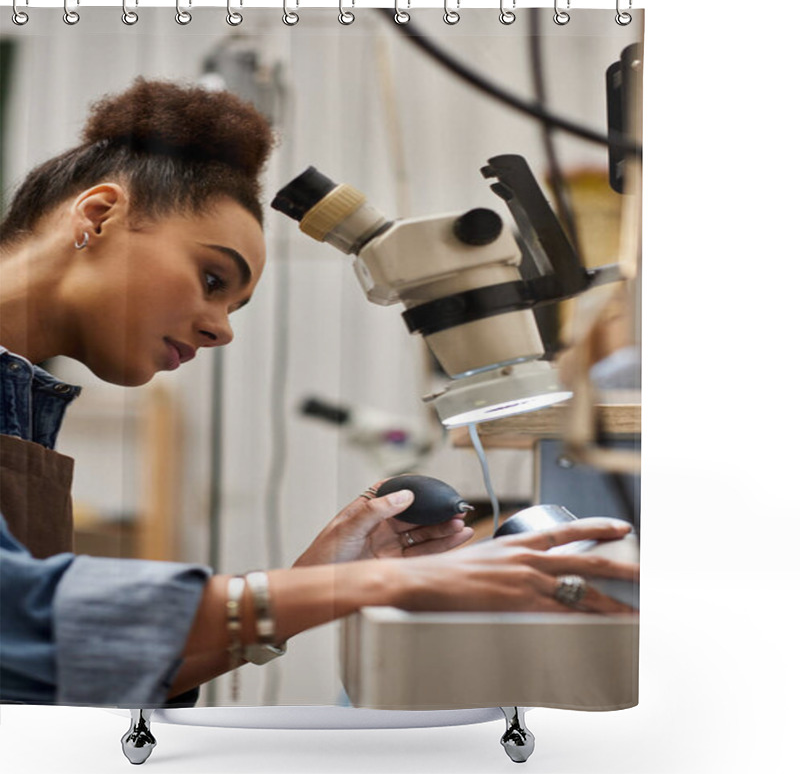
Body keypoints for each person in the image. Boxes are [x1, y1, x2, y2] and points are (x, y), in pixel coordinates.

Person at [0, 78, 638, 708]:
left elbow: (52, 670)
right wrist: (375, 582)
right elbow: (17, 615)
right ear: (99, 213)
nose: (220, 329)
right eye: (213, 277)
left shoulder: (24, 404)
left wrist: (325, 584)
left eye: (235, 305)